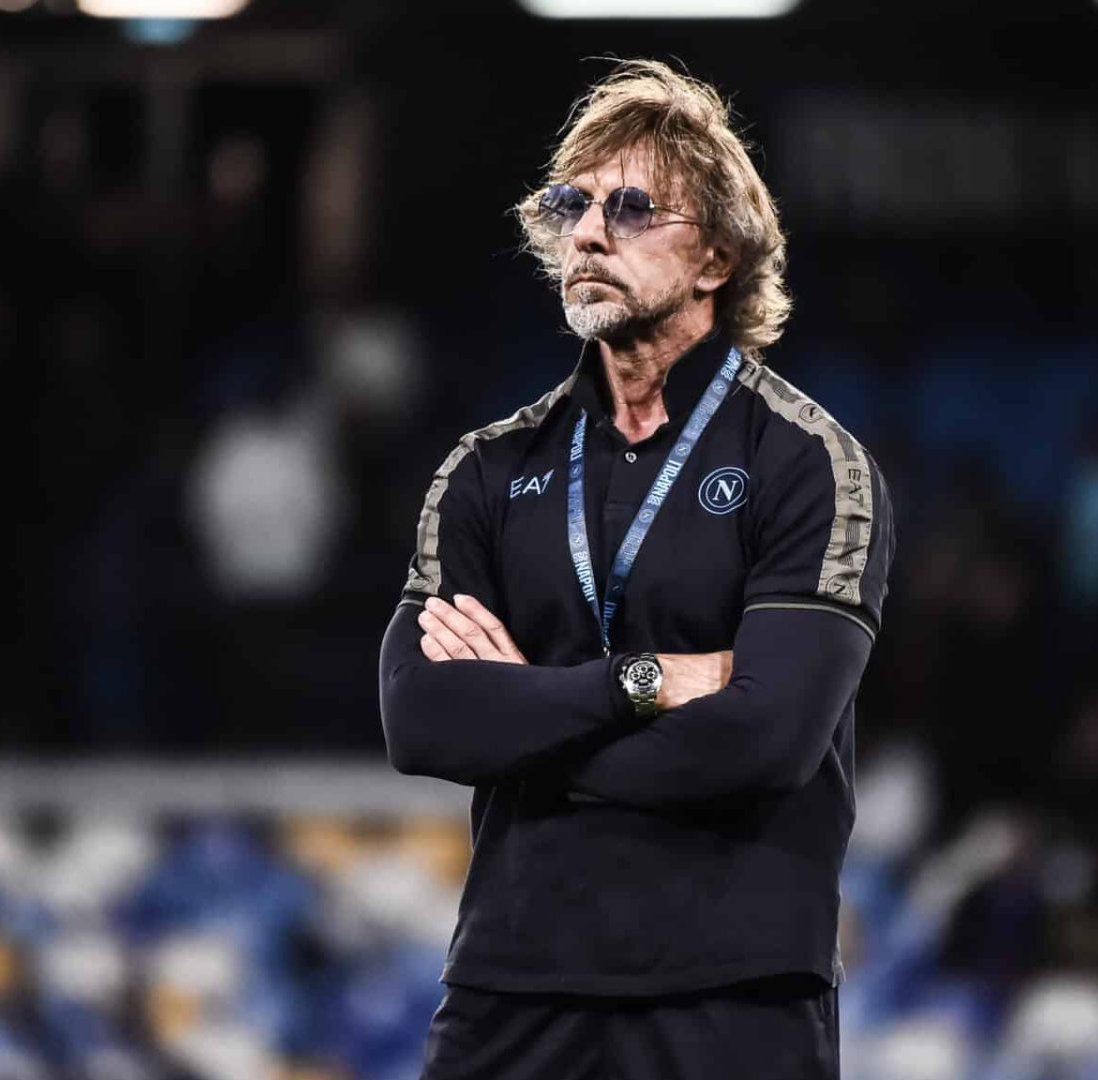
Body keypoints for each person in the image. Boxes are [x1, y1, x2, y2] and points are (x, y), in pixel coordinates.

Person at [376, 60, 895, 1079]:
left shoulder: (808, 463)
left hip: (734, 993)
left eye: (630, 208)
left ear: (716, 258)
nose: (587, 232)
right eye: (570, 206)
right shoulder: (488, 470)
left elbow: (766, 740)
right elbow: (420, 720)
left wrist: (525, 717)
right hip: (513, 985)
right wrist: (640, 684)